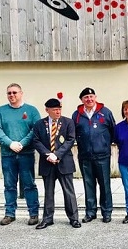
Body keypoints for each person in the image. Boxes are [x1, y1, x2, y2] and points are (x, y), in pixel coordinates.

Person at [0, 83, 41, 226]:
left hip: (26, 154)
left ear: (21, 93)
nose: (12, 95)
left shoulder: (31, 110)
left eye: (14, 92)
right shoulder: (1, 111)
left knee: (29, 184)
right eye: (9, 93)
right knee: (9, 185)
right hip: (8, 154)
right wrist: (10, 143)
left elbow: (36, 129)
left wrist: (22, 143)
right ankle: (10, 213)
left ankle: (33, 213)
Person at [32, 98, 80, 229]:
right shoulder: (39, 124)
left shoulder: (68, 122)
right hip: (47, 162)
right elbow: (36, 141)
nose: (58, 111)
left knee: (69, 192)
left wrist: (57, 154)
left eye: (59, 109)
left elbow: (70, 140)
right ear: (47, 110)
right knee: (48, 192)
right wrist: (48, 154)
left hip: (64, 161)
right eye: (54, 110)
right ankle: (47, 219)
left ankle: (74, 218)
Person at [73, 87, 116, 223]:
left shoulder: (105, 112)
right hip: (85, 156)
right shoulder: (77, 115)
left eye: (91, 97)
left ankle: (107, 212)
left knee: (105, 185)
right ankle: (90, 212)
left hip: (102, 156)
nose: (89, 99)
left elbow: (113, 131)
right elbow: (72, 133)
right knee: (88, 185)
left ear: (95, 97)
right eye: (86, 97)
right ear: (82, 100)